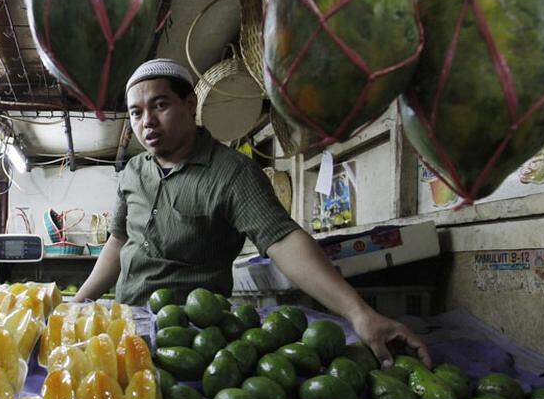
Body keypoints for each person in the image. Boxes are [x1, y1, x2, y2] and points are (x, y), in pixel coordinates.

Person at [73, 58, 430, 366]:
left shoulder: (232, 174)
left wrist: (359, 313)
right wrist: (80, 300)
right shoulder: (134, 171)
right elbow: (119, 240)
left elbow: (284, 240)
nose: (146, 121)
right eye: (136, 112)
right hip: (126, 322)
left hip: (191, 338)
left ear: (189, 103)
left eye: (160, 105)